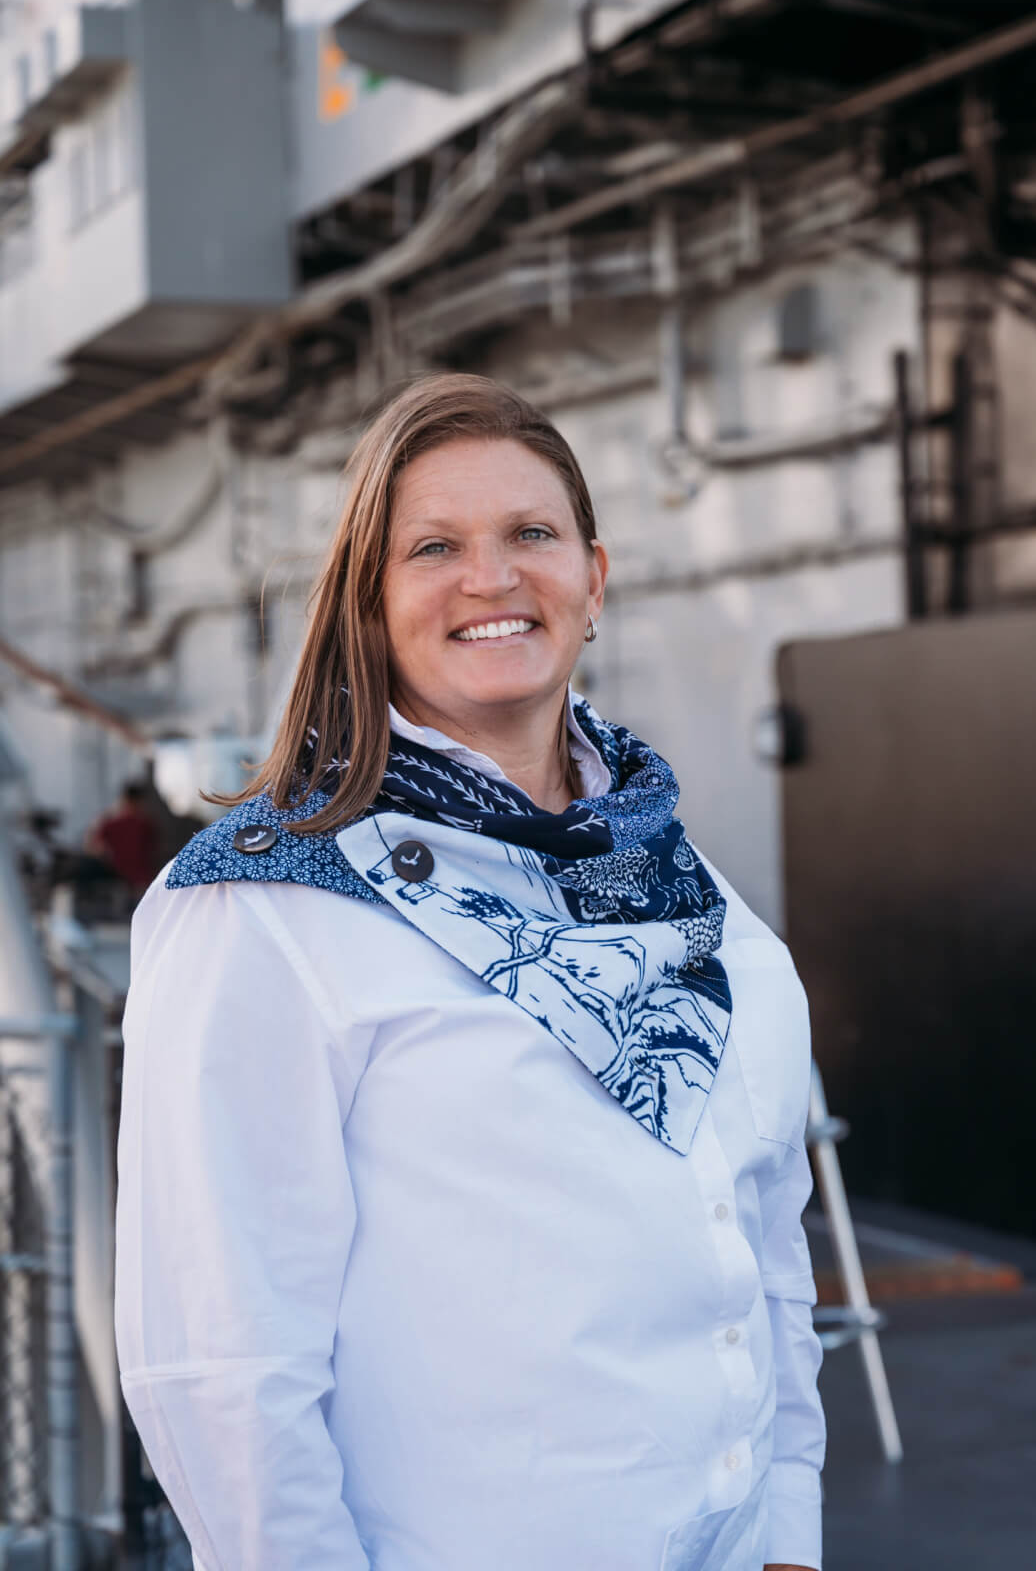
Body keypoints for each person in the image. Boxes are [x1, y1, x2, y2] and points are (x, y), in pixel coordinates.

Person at [114, 374, 825, 1571]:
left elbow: (763, 1252)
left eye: (530, 535)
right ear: (367, 602)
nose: (490, 578)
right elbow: (223, 1356)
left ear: (592, 580)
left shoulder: (683, 882)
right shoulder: (269, 902)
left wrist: (789, 1533)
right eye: (432, 546)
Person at [84, 780, 161, 897]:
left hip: (117, 877)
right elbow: (153, 849)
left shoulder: (110, 820)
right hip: (141, 879)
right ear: (140, 801)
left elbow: (92, 846)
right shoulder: (145, 823)